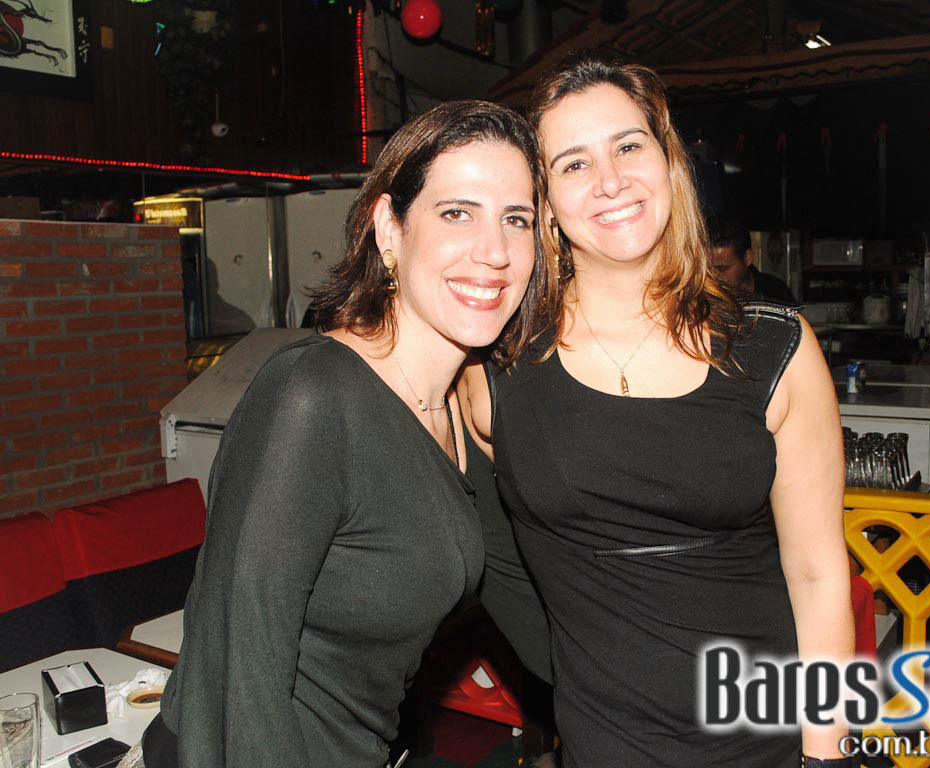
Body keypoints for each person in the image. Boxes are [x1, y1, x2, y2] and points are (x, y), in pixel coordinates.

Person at [127, 100, 551, 768]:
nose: (494, 251)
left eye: (516, 219)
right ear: (389, 229)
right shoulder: (312, 395)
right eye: (457, 213)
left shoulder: (459, 412)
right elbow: (239, 671)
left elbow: (532, 618)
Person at [462, 56, 853, 768]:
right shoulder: (495, 370)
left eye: (628, 146)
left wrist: (826, 757)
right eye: (574, 164)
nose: (610, 180)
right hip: (602, 748)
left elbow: (818, 574)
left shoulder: (774, 348)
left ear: (669, 161)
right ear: (544, 201)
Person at [708, 215, 797, 304]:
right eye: (708, 269)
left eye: (722, 269)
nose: (714, 276)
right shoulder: (704, 297)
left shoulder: (776, 292)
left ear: (747, 257)